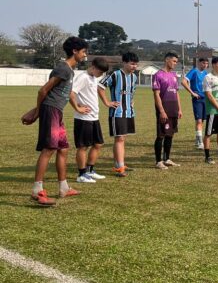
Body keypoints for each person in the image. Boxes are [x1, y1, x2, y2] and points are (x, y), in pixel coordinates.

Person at [23, 36, 89, 206]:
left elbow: (68, 93)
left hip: (56, 111)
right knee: (49, 149)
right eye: (83, 52)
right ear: (74, 51)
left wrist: (77, 107)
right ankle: (37, 190)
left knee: (63, 149)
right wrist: (37, 111)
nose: (85, 56)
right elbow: (42, 90)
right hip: (51, 110)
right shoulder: (63, 69)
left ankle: (64, 187)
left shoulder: (70, 70)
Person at [70, 56, 113, 183]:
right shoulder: (83, 77)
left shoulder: (93, 78)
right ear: (93, 67)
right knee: (83, 147)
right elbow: (71, 93)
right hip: (83, 119)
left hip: (94, 117)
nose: (101, 75)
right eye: (100, 72)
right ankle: (81, 174)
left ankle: (90, 170)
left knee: (98, 144)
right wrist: (77, 108)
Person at [104, 51, 139, 177]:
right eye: (131, 64)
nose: (134, 66)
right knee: (119, 138)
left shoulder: (134, 77)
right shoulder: (116, 74)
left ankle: (119, 164)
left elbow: (132, 91)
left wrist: (132, 101)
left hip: (129, 112)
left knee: (122, 138)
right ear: (124, 62)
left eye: (136, 64)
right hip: (117, 112)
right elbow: (100, 86)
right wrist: (107, 102)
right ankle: (120, 167)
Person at [152, 51, 183, 170]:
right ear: (167, 60)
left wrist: (179, 109)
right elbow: (156, 94)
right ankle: (158, 161)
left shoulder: (174, 75)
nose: (175, 63)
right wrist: (161, 111)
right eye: (174, 61)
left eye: (176, 61)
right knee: (161, 135)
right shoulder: (158, 75)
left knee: (170, 134)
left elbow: (177, 93)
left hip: (173, 108)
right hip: (164, 109)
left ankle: (167, 158)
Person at [181, 57, 209, 149]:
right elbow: (183, 82)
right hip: (197, 99)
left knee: (202, 121)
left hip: (206, 99)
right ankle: (200, 142)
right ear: (199, 63)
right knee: (199, 120)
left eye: (206, 64)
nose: (205, 65)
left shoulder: (206, 73)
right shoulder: (194, 71)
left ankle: (198, 139)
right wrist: (192, 93)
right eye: (203, 63)